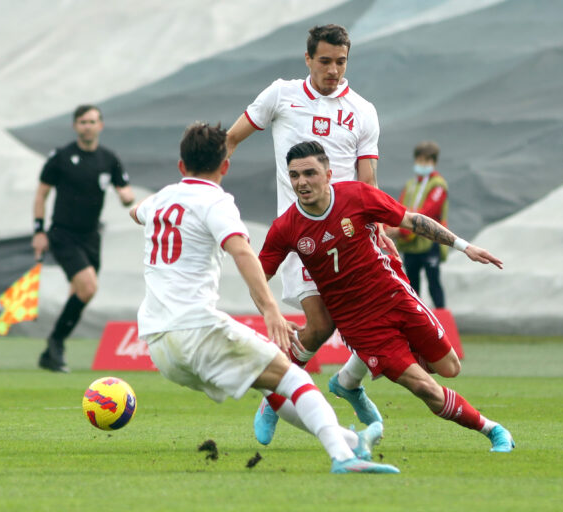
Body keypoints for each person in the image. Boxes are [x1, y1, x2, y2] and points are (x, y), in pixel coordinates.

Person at [129, 122, 399, 474]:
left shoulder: (160, 200)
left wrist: (165, 201)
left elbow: (135, 211)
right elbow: (242, 253)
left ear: (181, 165)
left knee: (272, 385)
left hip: (159, 346)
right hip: (196, 329)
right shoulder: (216, 202)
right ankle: (343, 459)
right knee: (296, 379)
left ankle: (350, 442)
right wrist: (271, 310)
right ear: (225, 165)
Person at [257, 141, 515, 453]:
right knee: (424, 387)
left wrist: (464, 246)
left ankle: (348, 379)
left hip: (394, 295)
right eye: (294, 176)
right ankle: (493, 430)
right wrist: (270, 311)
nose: (301, 182)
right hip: (360, 325)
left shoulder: (356, 195)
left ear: (328, 174)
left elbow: (411, 220)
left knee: (449, 368)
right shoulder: (286, 227)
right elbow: (257, 275)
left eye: (309, 173)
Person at [227, 23, 393, 444]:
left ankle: (348, 382)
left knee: (381, 318)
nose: (333, 70)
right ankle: (274, 399)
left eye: (341, 62)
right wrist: (208, 186)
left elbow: (368, 180)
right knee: (319, 326)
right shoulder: (281, 95)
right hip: (301, 237)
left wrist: (378, 227)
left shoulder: (362, 110)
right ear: (308, 59)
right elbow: (231, 138)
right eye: (325, 61)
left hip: (352, 235)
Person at [32, 104, 135, 372]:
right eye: (83, 122)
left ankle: (50, 354)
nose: (87, 126)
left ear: (101, 125)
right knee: (88, 288)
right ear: (75, 126)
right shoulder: (61, 157)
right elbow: (41, 194)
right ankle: (56, 342)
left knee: (80, 293)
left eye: (92, 121)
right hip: (63, 233)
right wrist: (39, 230)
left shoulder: (109, 159)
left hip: (91, 236)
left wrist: (127, 197)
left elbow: (125, 191)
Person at [388, 141, 448, 308]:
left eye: (427, 161)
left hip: (430, 242)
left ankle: (441, 318)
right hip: (410, 246)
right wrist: (391, 226)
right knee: (412, 287)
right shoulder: (410, 185)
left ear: (434, 162)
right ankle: (417, 319)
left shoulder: (438, 185)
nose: (422, 164)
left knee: (433, 283)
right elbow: (398, 208)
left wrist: (401, 231)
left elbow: (427, 212)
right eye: (420, 160)